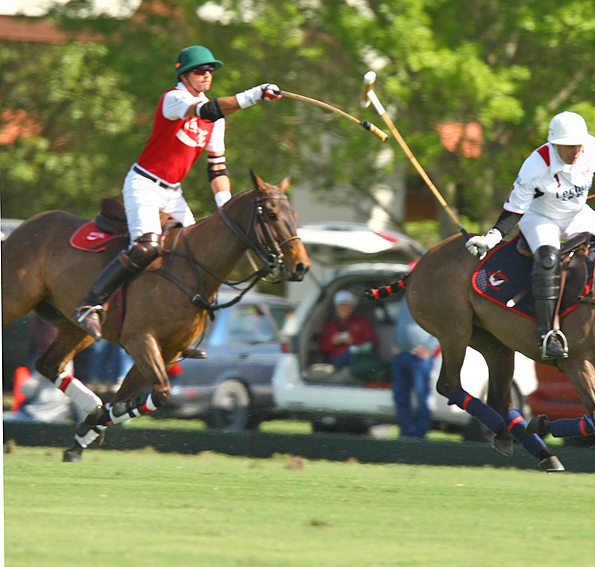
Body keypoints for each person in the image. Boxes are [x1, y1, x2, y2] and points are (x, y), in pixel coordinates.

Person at [71, 45, 282, 341]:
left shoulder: (216, 122)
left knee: (197, 254)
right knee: (147, 247)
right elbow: (207, 110)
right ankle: (90, 304)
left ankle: (179, 328)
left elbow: (217, 168)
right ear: (184, 74)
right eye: (200, 71)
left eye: (210, 71)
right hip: (144, 184)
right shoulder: (174, 99)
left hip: (173, 193)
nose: (206, 76)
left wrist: (224, 207)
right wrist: (255, 94)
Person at [465, 111, 595, 360]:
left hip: (578, 214)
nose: (575, 151)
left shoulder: (588, 149)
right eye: (568, 147)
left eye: (578, 145)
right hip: (541, 217)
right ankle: (548, 335)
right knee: (548, 261)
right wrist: (490, 239)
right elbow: (514, 209)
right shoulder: (536, 165)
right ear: (555, 145)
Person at [391, 297, 439, 439]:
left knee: (421, 394)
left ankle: (420, 433)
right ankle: (406, 432)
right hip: (402, 356)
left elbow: (443, 327)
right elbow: (399, 322)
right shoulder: (404, 300)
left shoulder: (434, 299)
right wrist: (394, 341)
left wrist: (428, 348)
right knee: (400, 396)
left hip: (421, 358)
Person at [318, 289, 378, 370]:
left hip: (358, 357)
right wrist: (333, 342)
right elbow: (323, 348)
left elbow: (372, 343)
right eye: (341, 306)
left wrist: (354, 341)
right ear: (336, 307)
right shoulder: (330, 326)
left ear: (352, 307)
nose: (343, 309)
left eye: (346, 305)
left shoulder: (361, 322)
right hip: (337, 359)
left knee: (354, 353)